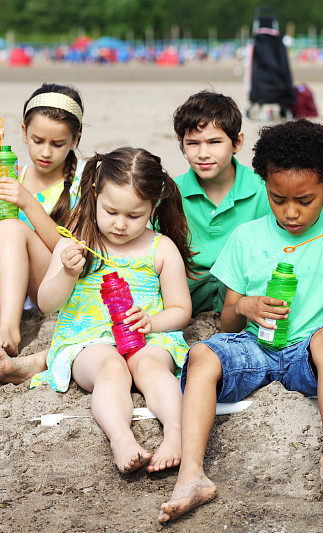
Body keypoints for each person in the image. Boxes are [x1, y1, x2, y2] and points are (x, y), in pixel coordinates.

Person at [158, 119, 323, 523]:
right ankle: (191, 475)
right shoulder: (248, 236)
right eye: (277, 199)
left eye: (305, 201)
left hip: (309, 352)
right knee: (202, 353)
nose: (290, 212)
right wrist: (245, 307)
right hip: (256, 347)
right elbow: (226, 326)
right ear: (265, 189)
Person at [30, 147, 195, 474]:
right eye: (111, 212)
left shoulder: (160, 248)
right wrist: (66, 273)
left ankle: (176, 435)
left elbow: (181, 310)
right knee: (111, 369)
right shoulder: (75, 243)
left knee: (151, 368)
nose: (120, 224)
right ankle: (122, 440)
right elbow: (46, 304)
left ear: (153, 206)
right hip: (88, 341)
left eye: (134, 216)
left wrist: (153, 321)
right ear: (95, 195)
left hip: (146, 338)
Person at [0, 84, 85, 380]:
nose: (45, 152)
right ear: (23, 132)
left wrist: (26, 201)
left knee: (13, 227)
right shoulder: (15, 174)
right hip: (15, 285)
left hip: (55, 284)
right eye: (37, 140)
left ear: (76, 139)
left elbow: (70, 249)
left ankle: (9, 328)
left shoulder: (84, 181)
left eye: (58, 144)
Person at [173, 90, 269, 314]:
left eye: (214, 141)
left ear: (237, 142)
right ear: (181, 145)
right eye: (193, 143)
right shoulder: (169, 194)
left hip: (243, 295)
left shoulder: (263, 190)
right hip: (185, 295)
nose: (203, 153)